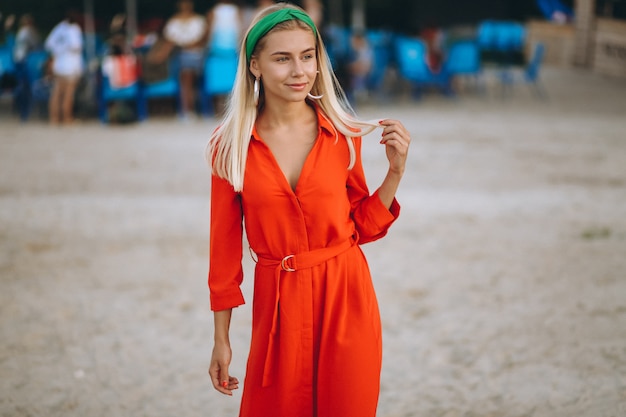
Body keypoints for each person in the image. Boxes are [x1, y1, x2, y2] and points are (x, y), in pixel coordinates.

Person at [206, 4, 411, 417]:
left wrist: (395, 172)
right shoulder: (229, 147)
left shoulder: (343, 135)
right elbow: (224, 253)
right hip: (277, 304)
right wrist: (222, 338)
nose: (299, 70)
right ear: (255, 66)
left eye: (307, 55)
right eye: (282, 58)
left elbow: (362, 228)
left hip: (346, 297)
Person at [164, 0, 207, 119]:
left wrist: (185, 46)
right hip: (179, 56)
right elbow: (170, 40)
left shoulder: (199, 20)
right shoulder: (173, 22)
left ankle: (188, 109)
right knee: (185, 75)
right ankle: (188, 109)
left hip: (195, 55)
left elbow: (201, 40)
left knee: (187, 75)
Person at [44, 10, 84, 125]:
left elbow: (48, 44)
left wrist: (58, 51)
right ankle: (67, 118)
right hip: (71, 66)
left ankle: (54, 118)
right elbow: (76, 46)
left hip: (59, 65)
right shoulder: (74, 29)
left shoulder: (59, 28)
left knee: (56, 93)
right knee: (68, 94)